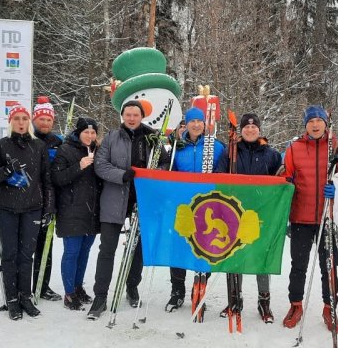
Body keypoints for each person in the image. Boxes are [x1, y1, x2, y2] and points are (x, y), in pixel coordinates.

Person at [87, 100, 170, 320]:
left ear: (142, 116)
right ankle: (100, 295)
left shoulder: (153, 137)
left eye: (135, 114)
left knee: (138, 249)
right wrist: (121, 175)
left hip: (143, 200)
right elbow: (100, 165)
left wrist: (152, 174)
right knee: (107, 249)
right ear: (122, 115)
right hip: (115, 199)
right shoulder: (112, 137)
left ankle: (132, 287)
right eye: (128, 114)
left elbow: (165, 163)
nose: (131, 118)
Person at [280, 105, 338, 333]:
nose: (315, 124)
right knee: (298, 265)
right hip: (301, 217)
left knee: (329, 266)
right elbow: (286, 176)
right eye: (311, 121)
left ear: (326, 123)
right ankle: (295, 305)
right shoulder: (294, 148)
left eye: (319, 120)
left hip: (329, 216)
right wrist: (287, 184)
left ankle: (329, 307)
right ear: (305, 125)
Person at [0, 104, 54, 320]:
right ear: (10, 122)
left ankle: (25, 296)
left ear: (29, 121)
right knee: (10, 254)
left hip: (32, 208)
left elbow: (46, 180)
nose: (21, 122)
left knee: (26, 255)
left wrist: (48, 207)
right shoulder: (1, 145)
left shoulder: (38, 146)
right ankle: (11, 299)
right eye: (17, 119)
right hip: (7, 208)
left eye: (24, 118)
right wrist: (7, 170)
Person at [214, 113, 280, 323]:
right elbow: (218, 176)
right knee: (235, 256)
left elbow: (280, 180)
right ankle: (235, 299)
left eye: (254, 127)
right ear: (241, 130)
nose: (250, 130)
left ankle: (264, 301)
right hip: (234, 213)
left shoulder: (270, 154)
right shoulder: (230, 151)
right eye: (246, 127)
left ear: (259, 130)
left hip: (261, 214)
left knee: (262, 257)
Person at [165, 107, 225, 314]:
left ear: (205, 124)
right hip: (182, 207)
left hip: (207, 206)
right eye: (192, 121)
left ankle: (198, 290)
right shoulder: (176, 146)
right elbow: (167, 171)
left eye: (200, 121)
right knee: (179, 247)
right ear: (186, 124)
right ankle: (177, 291)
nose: (196, 125)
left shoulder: (215, 147)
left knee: (204, 249)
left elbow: (224, 172)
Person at [51, 117, 102, 310]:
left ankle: (78, 287)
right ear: (78, 133)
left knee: (85, 252)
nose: (90, 136)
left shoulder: (98, 151)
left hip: (92, 211)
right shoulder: (65, 150)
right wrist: (78, 166)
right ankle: (69, 292)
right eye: (86, 132)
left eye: (93, 132)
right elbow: (57, 178)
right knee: (72, 252)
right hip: (71, 209)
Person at [31, 96, 64, 302]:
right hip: (29, 199)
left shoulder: (57, 142)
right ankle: (22, 287)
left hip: (50, 199)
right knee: (27, 247)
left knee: (46, 245)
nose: (45, 123)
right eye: (41, 119)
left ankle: (42, 285)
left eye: (48, 120)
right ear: (34, 120)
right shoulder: (28, 138)